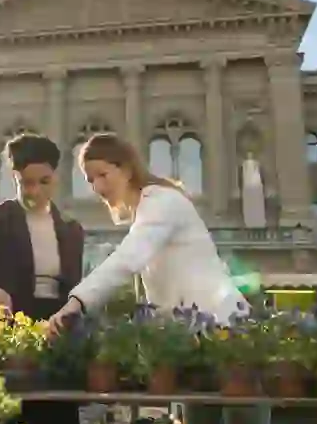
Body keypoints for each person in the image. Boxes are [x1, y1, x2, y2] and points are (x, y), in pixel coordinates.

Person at [47, 132, 247, 332]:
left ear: (126, 170)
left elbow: (127, 259)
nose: (97, 187)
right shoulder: (146, 208)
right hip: (193, 327)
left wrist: (76, 302)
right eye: (90, 180)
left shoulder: (161, 202)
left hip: (218, 322)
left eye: (103, 175)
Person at [0, 133, 84, 424]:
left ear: (56, 178)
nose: (35, 191)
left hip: (58, 342)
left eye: (44, 181)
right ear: (14, 178)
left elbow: (75, 292)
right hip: (11, 338)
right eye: (26, 182)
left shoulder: (71, 229)